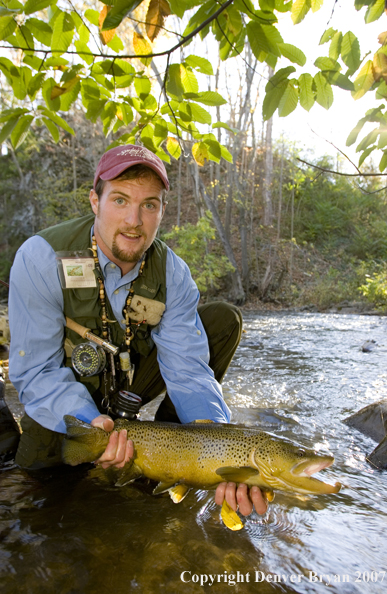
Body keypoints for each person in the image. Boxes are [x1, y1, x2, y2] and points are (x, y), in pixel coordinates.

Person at [8, 144, 267, 517]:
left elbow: (188, 369)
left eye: (149, 204)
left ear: (162, 211)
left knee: (223, 318)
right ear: (95, 201)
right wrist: (92, 427)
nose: (134, 220)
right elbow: (35, 370)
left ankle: (169, 449)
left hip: (128, 388)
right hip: (63, 399)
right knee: (42, 493)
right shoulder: (42, 257)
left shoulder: (172, 272)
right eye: (120, 200)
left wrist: (219, 447)